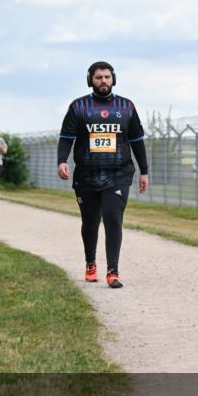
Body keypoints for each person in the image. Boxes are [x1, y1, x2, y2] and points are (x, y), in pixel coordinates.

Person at [57, 61, 149, 288]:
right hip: (86, 175)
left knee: (113, 219)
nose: (103, 81)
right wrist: (62, 161)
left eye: (107, 77)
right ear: (91, 80)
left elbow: (137, 142)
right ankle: (90, 264)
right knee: (90, 223)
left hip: (118, 173)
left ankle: (113, 272)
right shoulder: (78, 107)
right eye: (99, 77)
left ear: (113, 79)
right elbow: (66, 139)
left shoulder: (126, 107)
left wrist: (144, 171)